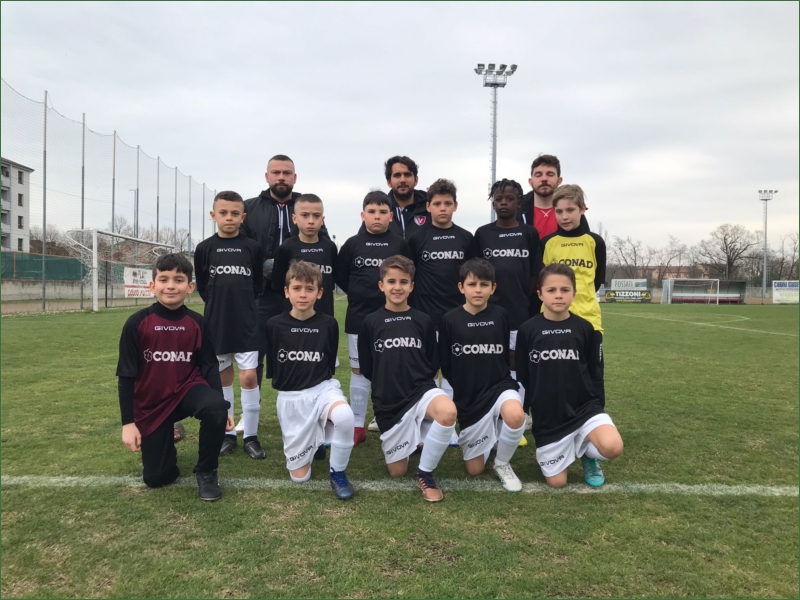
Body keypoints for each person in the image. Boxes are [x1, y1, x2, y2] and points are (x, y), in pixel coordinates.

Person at [116, 253, 234, 501]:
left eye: (179, 280)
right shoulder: (137, 323)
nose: (171, 286)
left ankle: (207, 472)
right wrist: (128, 424)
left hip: (186, 390)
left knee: (215, 407)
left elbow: (210, 367)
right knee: (158, 478)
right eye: (164, 279)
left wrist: (223, 408)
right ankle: (168, 434)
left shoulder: (197, 323)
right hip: (152, 403)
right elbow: (126, 376)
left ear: (190, 287)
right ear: (152, 286)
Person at [358, 255, 458, 502]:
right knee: (397, 471)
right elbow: (368, 367)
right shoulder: (370, 322)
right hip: (389, 402)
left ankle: (425, 473)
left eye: (404, 282)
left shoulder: (423, 320)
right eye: (391, 281)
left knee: (448, 412)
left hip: (421, 391)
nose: (397, 287)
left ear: (412, 286)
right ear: (381, 285)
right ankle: (415, 436)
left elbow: (432, 363)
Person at [515, 264, 623, 488]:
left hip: (584, 408)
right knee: (557, 482)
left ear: (574, 293)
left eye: (565, 290)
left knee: (613, 447)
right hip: (548, 417)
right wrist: (525, 409)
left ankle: (588, 454)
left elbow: (595, 373)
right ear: (540, 294)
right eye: (551, 290)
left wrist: (598, 407)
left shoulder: (585, 328)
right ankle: (576, 447)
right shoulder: (527, 330)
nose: (558, 295)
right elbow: (524, 375)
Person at [240, 155, 329, 394]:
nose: (281, 177)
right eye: (276, 172)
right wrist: (264, 266)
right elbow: (242, 248)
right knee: (256, 354)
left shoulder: (307, 207)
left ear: (294, 177)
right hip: (262, 294)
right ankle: (252, 409)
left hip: (300, 294)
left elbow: (322, 246)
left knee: (303, 351)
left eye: (287, 173)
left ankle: (307, 400)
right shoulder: (249, 208)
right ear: (267, 176)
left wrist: (292, 269)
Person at [266, 261, 355, 499]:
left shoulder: (329, 324)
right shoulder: (274, 325)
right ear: (287, 291)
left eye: (309, 288)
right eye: (297, 288)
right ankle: (316, 443)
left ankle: (338, 473)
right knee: (300, 478)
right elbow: (274, 367)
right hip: (291, 399)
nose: (303, 294)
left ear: (320, 292)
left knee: (345, 417)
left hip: (322, 389)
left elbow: (328, 365)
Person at [439, 258, 526, 491]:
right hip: (469, 397)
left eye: (484, 284)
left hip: (499, 386)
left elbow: (504, 355)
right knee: (474, 469)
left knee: (516, 415)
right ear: (461, 287)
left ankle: (502, 463)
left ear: (493, 288)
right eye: (472, 284)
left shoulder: (501, 315)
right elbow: (446, 363)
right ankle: (489, 434)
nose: (478, 290)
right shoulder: (450, 319)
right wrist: (464, 386)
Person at [335, 191, 411, 445]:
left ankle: (390, 418)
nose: (377, 216)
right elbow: (341, 275)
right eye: (371, 212)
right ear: (363, 215)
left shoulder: (400, 244)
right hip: (358, 317)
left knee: (391, 367)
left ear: (391, 216)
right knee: (359, 370)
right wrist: (360, 293)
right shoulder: (352, 244)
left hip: (392, 318)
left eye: (382, 212)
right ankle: (357, 424)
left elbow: (409, 275)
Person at [194, 191, 265, 460]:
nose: (229, 218)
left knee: (249, 377)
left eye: (235, 213)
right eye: (223, 213)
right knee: (223, 378)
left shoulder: (252, 247)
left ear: (243, 217)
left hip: (247, 323)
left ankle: (251, 436)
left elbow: (257, 285)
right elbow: (204, 287)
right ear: (213, 215)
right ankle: (229, 433)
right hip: (217, 324)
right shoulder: (204, 248)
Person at [540, 184, 607, 405]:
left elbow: (596, 281)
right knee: (555, 375)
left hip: (588, 321)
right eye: (559, 211)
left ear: (582, 209)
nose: (565, 216)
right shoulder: (547, 243)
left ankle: (595, 419)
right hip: (552, 320)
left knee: (593, 376)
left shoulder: (595, 242)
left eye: (570, 210)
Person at [271, 194, 338, 319]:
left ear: (322, 219)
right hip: (294, 318)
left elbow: (333, 280)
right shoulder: (286, 248)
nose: (311, 221)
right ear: (294, 218)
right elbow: (278, 284)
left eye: (316, 216)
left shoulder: (330, 247)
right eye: (305, 215)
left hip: (325, 316)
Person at [358, 156, 430, 240]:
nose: (402, 180)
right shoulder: (379, 210)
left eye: (407, 175)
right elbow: (362, 242)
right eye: (397, 175)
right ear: (389, 182)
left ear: (416, 180)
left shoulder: (431, 208)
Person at [519, 154, 589, 236]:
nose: (544, 179)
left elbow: (585, 238)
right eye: (538, 175)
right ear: (530, 182)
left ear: (559, 180)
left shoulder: (573, 207)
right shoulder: (517, 208)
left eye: (550, 174)